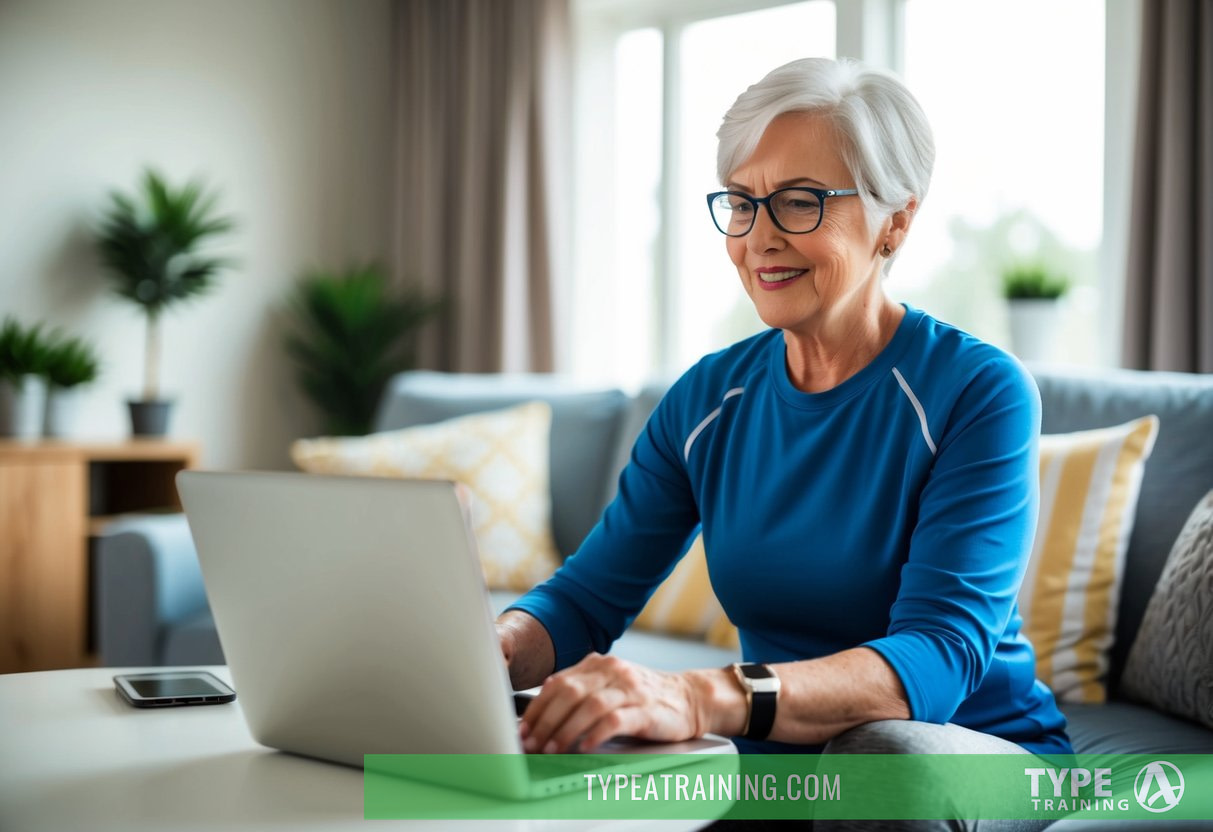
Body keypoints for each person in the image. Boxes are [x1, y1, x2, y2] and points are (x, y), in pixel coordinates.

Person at [495, 55, 1071, 815]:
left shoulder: (977, 390)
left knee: (879, 759)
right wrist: (484, 651)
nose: (758, 237)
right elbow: (583, 601)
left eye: (799, 202)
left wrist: (699, 696)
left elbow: (934, 660)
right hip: (781, 759)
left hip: (971, 748)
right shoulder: (704, 399)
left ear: (895, 218)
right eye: (741, 202)